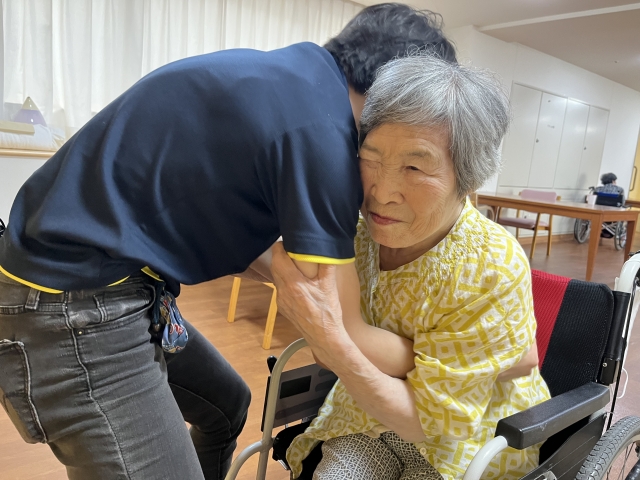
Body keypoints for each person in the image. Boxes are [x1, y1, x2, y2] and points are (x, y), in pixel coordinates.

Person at [0, 4, 457, 480]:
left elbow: (211, 214)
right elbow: (340, 333)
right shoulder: (325, 138)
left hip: (86, 274)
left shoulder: (293, 73)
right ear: (400, 95)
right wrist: (445, 355)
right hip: (72, 307)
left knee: (227, 407)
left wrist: (286, 273)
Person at [268, 55, 551, 480]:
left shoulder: (492, 267)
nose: (382, 192)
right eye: (370, 158)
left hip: (466, 436)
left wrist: (333, 341)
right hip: (367, 410)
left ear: (468, 178)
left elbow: (429, 420)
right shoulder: (355, 234)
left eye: (415, 167)